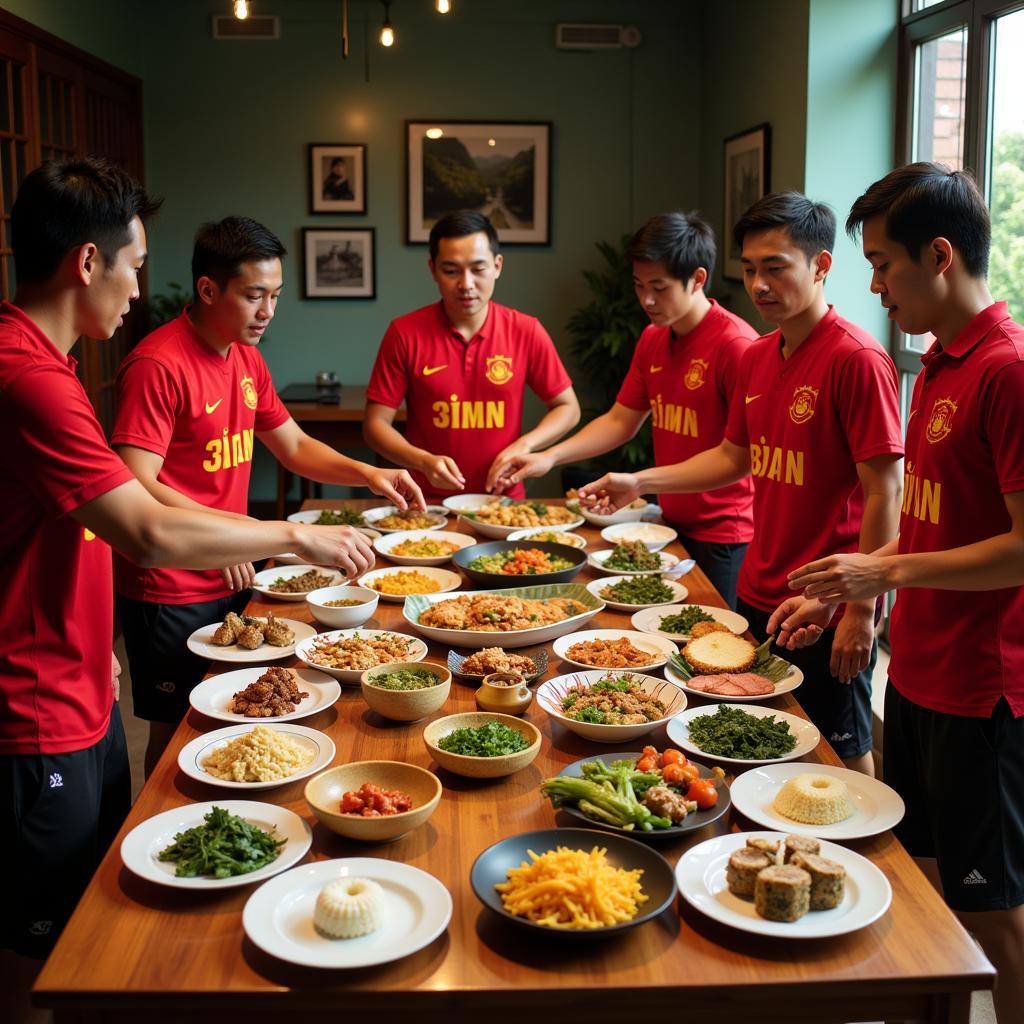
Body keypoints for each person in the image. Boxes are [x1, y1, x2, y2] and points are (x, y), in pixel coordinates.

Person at [0, 159, 374, 1024]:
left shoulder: (49, 364)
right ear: (87, 264)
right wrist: (296, 534)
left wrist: (100, 657)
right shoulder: (30, 376)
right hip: (34, 708)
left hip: (81, 685)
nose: (140, 288)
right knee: (37, 944)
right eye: (133, 265)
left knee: (90, 920)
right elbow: (149, 526)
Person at [768, 163, 1024, 1024]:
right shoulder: (941, 365)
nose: (874, 285)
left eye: (884, 264)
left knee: (992, 915)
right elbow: (925, 520)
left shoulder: (1008, 370)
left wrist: (883, 573)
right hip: (915, 674)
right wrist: (845, 588)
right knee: (926, 898)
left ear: (940, 255)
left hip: (982, 692)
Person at [579, 192, 904, 775]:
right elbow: (732, 458)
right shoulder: (758, 356)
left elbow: (887, 491)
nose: (759, 284)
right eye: (750, 269)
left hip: (826, 599)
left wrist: (861, 609)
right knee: (760, 736)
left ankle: (864, 855)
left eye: (776, 267)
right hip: (762, 589)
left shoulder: (858, 359)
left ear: (821, 266)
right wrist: (639, 480)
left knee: (843, 748)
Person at [112, 216, 424, 774]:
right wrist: (234, 540)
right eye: (254, 295)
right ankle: (161, 815)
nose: (268, 311)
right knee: (179, 718)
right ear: (208, 289)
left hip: (230, 562)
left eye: (275, 295)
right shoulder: (157, 363)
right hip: (170, 581)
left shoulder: (246, 356)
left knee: (236, 703)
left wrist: (369, 472)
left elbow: (295, 445)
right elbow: (138, 482)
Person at [490, 211, 757, 608]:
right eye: (638, 285)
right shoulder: (653, 338)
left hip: (725, 533)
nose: (646, 299)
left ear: (698, 279)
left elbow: (738, 459)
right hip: (670, 523)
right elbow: (620, 420)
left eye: (659, 287)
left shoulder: (736, 345)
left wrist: (639, 482)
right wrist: (548, 456)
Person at [363, 210, 581, 498]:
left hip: (503, 504)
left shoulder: (526, 330)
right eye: (451, 270)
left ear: (497, 266)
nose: (466, 284)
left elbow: (568, 408)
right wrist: (422, 461)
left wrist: (525, 445)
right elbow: (375, 425)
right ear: (433, 269)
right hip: (427, 504)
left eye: (478, 269)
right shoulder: (404, 333)